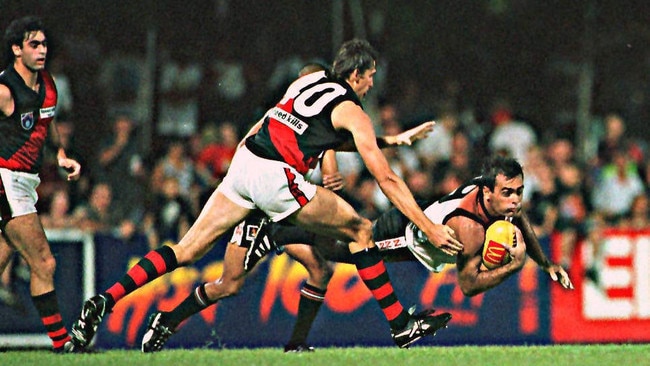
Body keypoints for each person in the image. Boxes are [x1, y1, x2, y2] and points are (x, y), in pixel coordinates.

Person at [71, 39, 462, 350]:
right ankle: (400, 326)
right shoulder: (352, 110)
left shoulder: (305, 82)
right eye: (371, 76)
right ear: (356, 73)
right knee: (360, 231)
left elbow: (284, 126)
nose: (372, 84)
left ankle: (106, 300)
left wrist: (391, 138)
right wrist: (427, 224)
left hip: (245, 165)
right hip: (276, 181)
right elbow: (387, 180)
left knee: (190, 253)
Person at [139, 155, 574, 353]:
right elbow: (467, 283)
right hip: (402, 238)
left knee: (318, 265)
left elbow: (522, 222)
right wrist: (513, 266)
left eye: (518, 193)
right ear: (488, 191)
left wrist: (546, 261)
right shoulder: (469, 228)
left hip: (410, 234)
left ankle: (288, 339)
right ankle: (269, 232)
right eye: (508, 193)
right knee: (338, 250)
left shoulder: (495, 201)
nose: (515, 201)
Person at [0, 16, 82, 353]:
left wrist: (61, 154)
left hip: (26, 182)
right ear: (16, 49)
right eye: (34, 44)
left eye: (44, 44)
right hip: (6, 181)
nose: (42, 50)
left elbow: (48, 123)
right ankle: (62, 344)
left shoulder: (48, 83)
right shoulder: (4, 90)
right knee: (44, 262)